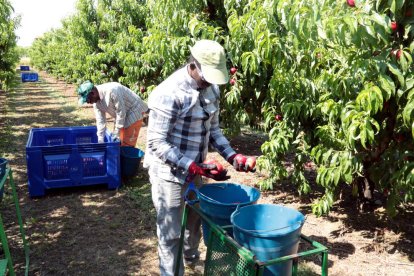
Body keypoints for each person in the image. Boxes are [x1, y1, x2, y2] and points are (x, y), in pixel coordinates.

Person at [143, 39, 256, 276]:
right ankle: (172, 272)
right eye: (207, 75)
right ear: (194, 65)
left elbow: (213, 130)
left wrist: (233, 156)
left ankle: (190, 258)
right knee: (171, 230)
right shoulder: (168, 92)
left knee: (194, 219)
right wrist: (193, 166)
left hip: (196, 169)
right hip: (168, 172)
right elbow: (156, 143)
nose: (209, 82)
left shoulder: (211, 88)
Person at [77, 81, 148, 147]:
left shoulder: (112, 90)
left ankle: (127, 158)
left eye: (88, 100)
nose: (89, 103)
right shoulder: (96, 102)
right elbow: (100, 120)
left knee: (127, 144)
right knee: (118, 141)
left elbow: (121, 112)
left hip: (134, 110)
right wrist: (100, 139)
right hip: (122, 114)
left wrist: (117, 132)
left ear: (93, 93)